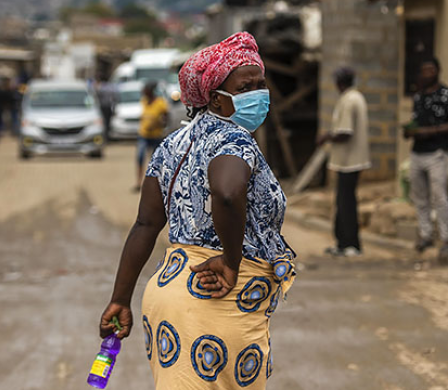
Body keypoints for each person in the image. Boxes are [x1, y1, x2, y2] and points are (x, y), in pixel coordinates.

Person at [98, 32, 296, 390]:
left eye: (261, 84)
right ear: (216, 101)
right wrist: (231, 261)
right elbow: (226, 192)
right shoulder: (234, 140)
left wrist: (120, 299)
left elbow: (145, 223)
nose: (258, 94)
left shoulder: (173, 143)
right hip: (216, 299)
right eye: (245, 87)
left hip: (168, 297)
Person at [319, 67, 370, 257]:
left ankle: (351, 244)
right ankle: (342, 242)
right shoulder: (354, 97)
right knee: (343, 201)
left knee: (346, 202)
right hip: (348, 160)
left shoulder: (349, 100)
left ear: (340, 82)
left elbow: (345, 132)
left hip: (350, 160)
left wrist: (326, 137)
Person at [404, 58, 448, 263]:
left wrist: (428, 131)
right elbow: (414, 122)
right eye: (424, 70)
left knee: (440, 197)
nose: (428, 73)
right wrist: (410, 131)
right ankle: (426, 235)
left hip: (437, 153)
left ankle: (446, 239)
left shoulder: (445, 95)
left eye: (431, 69)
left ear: (438, 71)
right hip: (417, 152)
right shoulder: (419, 97)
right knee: (420, 198)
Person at [134, 81, 168, 191]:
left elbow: (166, 118)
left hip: (156, 136)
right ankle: (138, 182)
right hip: (143, 134)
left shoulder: (160, 103)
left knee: (155, 161)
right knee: (140, 157)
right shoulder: (144, 101)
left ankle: (155, 184)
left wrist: (160, 125)